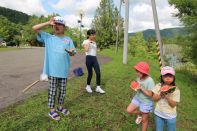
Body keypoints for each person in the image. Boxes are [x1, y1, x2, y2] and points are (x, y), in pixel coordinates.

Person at [32, 16, 76, 121]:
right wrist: (48, 22)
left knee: (62, 91)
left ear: (64, 27)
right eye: (55, 24)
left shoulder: (68, 39)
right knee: (52, 92)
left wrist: (72, 52)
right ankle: (52, 111)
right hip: (52, 71)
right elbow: (34, 28)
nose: (57, 26)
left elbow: (73, 52)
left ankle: (60, 108)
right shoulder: (48, 37)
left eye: (59, 24)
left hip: (64, 71)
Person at [126, 62, 155, 131]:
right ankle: (140, 113)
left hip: (146, 102)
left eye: (138, 72)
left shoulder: (150, 81)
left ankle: (142, 116)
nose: (136, 73)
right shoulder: (139, 77)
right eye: (136, 71)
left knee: (144, 120)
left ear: (143, 72)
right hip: (138, 98)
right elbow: (137, 87)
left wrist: (141, 88)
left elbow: (151, 94)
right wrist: (134, 86)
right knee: (129, 110)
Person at [152, 66, 180, 131]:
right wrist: (161, 94)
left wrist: (167, 96)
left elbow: (173, 105)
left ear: (173, 77)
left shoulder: (176, 90)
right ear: (162, 77)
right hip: (158, 114)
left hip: (170, 116)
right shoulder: (158, 86)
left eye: (170, 76)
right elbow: (154, 99)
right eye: (165, 76)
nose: (167, 78)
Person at [82, 29, 105, 94]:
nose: (93, 36)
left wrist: (99, 50)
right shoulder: (85, 41)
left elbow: (94, 50)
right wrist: (89, 42)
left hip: (94, 58)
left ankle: (98, 87)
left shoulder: (94, 42)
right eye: (92, 35)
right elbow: (86, 50)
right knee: (90, 73)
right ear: (88, 35)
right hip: (88, 58)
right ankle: (88, 86)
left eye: (94, 34)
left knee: (98, 72)